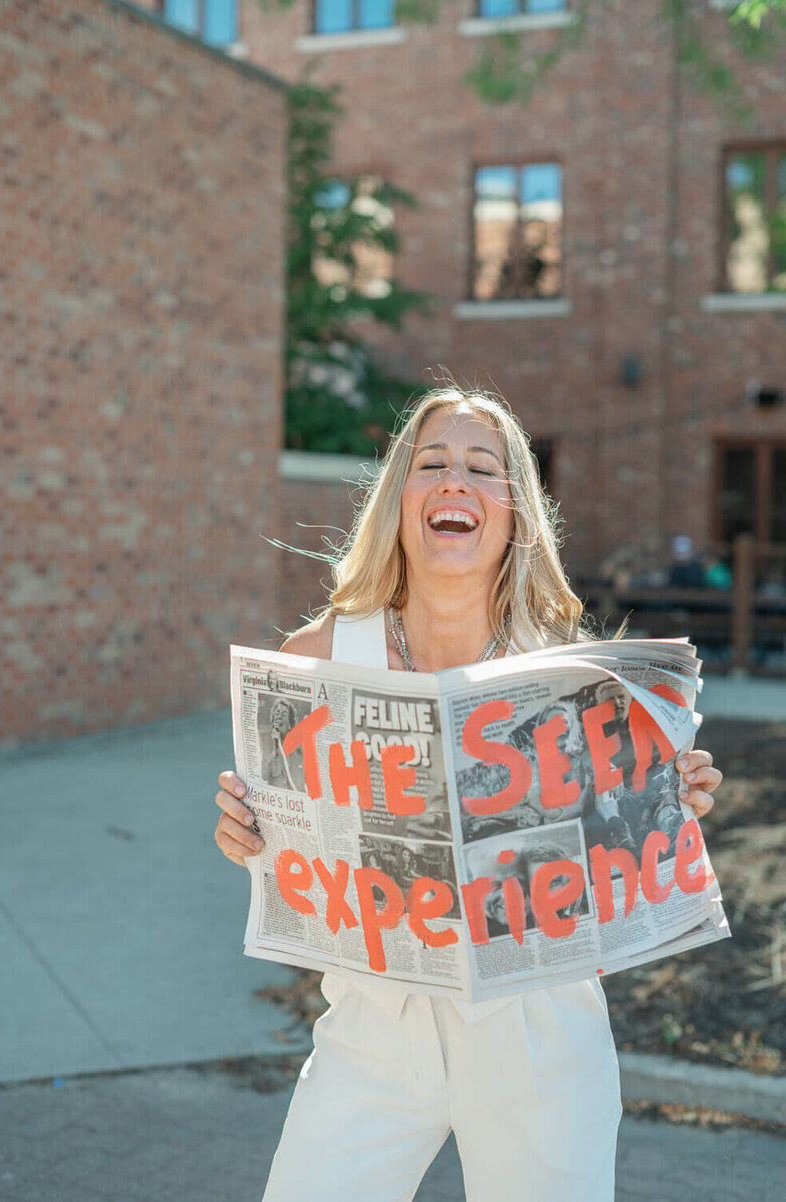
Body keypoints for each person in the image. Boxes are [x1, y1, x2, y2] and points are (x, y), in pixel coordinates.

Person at [214, 386, 722, 1201]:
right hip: (376, 1028)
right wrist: (245, 831)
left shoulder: (574, 674)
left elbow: (620, 854)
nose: (456, 480)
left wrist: (670, 798)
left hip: (538, 1030)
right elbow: (285, 838)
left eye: (483, 468)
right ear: (399, 499)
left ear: (515, 513)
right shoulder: (320, 654)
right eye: (432, 464)